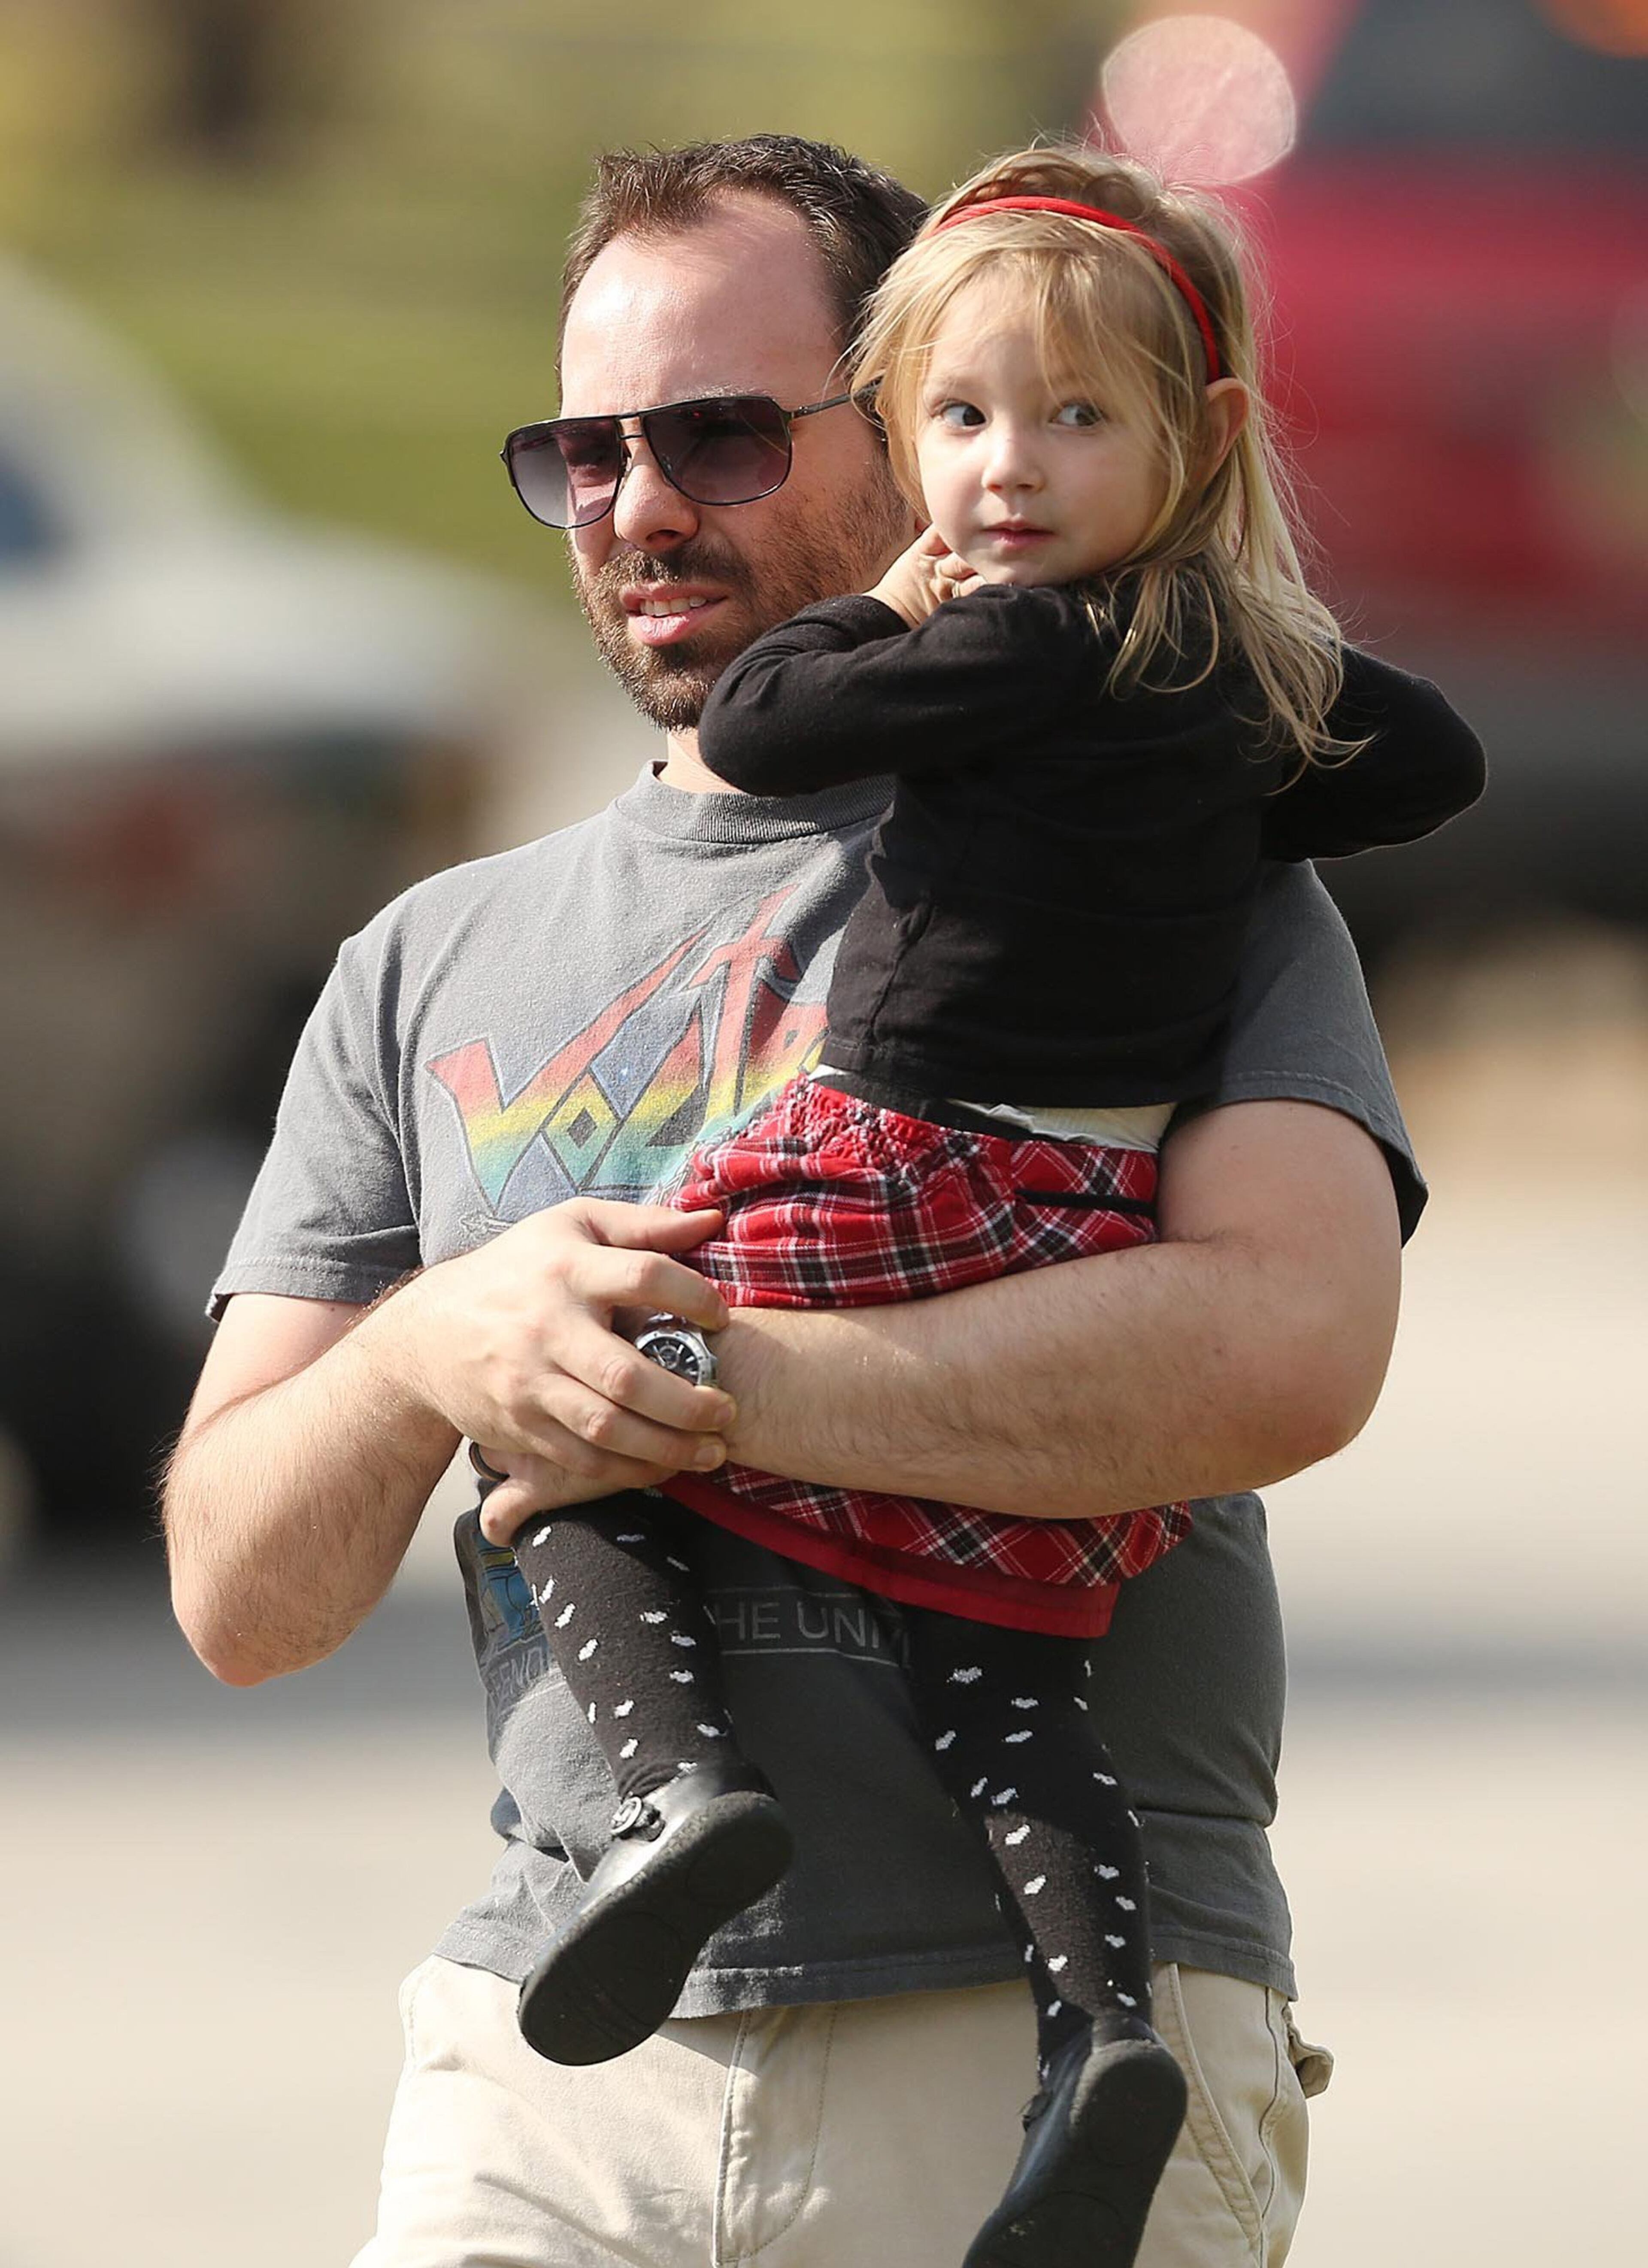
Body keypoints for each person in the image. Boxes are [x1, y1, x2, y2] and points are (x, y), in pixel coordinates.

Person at [165, 134, 1428, 2268]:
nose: (643, 502)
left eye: (724, 434)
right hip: (549, 2062)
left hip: (1019, 2079)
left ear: (930, 412)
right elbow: (238, 1592)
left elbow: (1288, 1351)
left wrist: (674, 1382)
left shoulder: (1160, 837)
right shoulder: (425, 959)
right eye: (586, 452)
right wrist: (438, 1344)